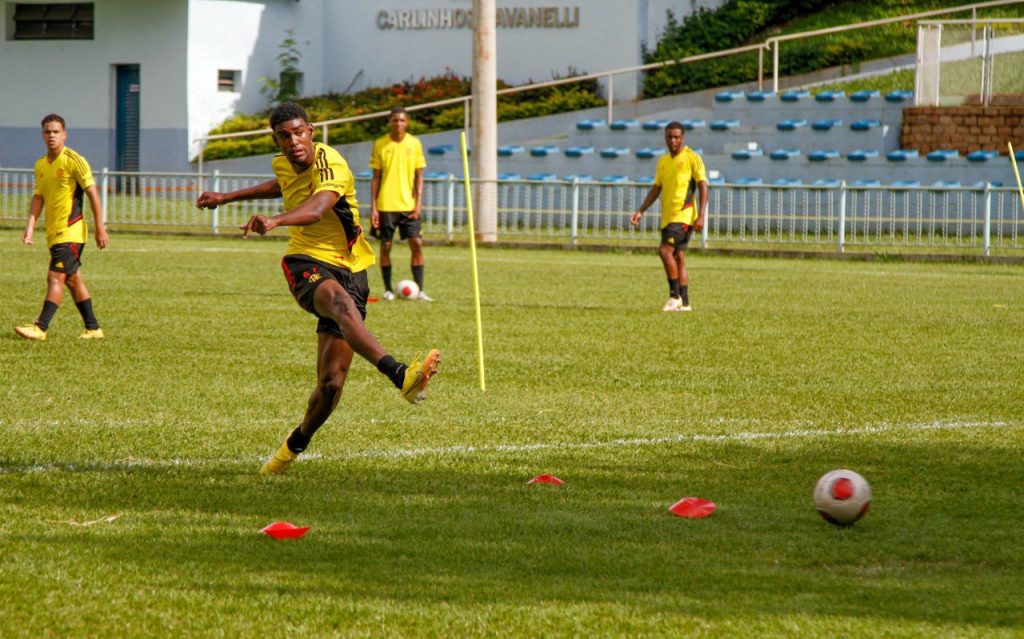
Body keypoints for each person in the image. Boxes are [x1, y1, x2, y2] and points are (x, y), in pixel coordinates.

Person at [195, 102, 440, 476]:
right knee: (339, 305)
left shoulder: (332, 164)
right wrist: (226, 198)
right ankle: (401, 375)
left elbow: (316, 208)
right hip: (305, 261)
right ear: (275, 139)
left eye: (298, 132)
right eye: (284, 135)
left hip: (352, 269)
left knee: (330, 384)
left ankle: (287, 452)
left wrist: (274, 220)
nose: (293, 141)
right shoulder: (283, 162)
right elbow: (283, 184)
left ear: (311, 131)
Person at [15, 114, 109, 341]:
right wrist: (30, 225)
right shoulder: (41, 165)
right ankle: (93, 328)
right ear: (42, 135)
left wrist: (100, 226)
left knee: (55, 277)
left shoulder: (73, 160)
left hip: (71, 230)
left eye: (56, 131)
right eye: (47, 132)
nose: (51, 136)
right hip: (53, 233)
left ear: (64, 134)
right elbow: (39, 197)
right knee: (72, 279)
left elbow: (92, 193)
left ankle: (41, 327)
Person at [631, 121, 709, 312]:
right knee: (678, 256)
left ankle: (674, 297)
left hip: (684, 215)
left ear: (683, 138)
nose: (673, 140)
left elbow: (703, 185)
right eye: (669, 137)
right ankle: (686, 302)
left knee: (665, 251)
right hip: (668, 216)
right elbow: (656, 189)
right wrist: (641, 210)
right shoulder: (663, 162)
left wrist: (701, 215)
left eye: (676, 137)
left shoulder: (692, 157)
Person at [369, 106, 431, 301]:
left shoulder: (415, 143)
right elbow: (376, 178)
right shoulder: (380, 144)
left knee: (417, 244)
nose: (398, 124)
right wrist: (374, 207)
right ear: (390, 122)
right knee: (385, 246)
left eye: (402, 120)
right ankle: (388, 290)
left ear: (407, 122)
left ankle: (420, 290)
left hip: (408, 206)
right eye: (395, 120)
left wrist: (418, 203)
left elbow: (419, 176)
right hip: (386, 205)